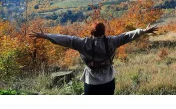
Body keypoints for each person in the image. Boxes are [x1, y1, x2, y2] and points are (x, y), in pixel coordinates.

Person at [28, 22, 158, 95]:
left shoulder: (83, 43)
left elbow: (66, 39)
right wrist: (144, 31)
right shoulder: (113, 41)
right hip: (108, 80)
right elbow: (127, 35)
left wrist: (45, 36)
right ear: (104, 31)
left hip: (91, 82)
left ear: (91, 32)